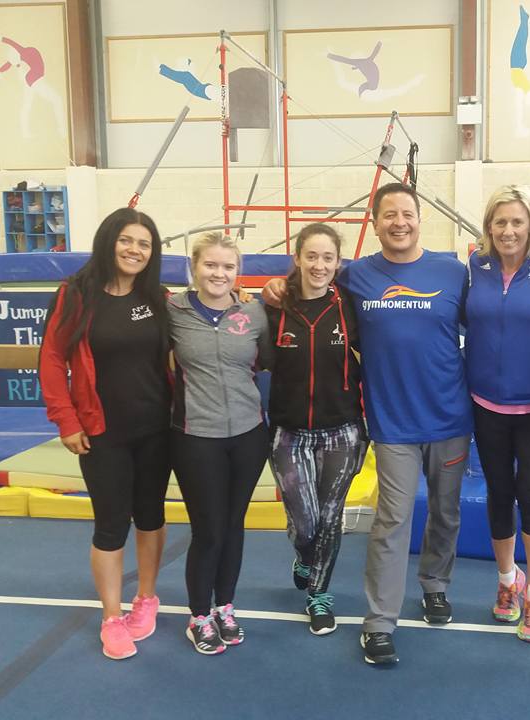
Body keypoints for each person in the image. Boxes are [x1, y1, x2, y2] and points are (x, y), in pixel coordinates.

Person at [263, 182, 473, 666]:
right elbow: (309, 283)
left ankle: (435, 584)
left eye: (407, 213)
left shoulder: (452, 272)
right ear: (374, 223)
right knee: (392, 521)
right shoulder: (355, 276)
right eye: (389, 214)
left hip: (449, 417)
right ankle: (379, 622)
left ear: (420, 218)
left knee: (445, 512)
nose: (399, 222)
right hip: (392, 422)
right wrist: (277, 286)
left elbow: (488, 321)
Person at [39, 207, 171, 661]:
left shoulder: (158, 297)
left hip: (156, 429)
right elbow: (52, 360)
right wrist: (66, 420)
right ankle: (112, 617)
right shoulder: (76, 295)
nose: (135, 250)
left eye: (144, 244)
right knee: (111, 524)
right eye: (126, 240)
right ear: (109, 241)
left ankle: (147, 598)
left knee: (151, 516)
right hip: (101, 433)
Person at [464, 185, 530, 642]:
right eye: (500, 221)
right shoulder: (475, 267)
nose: (508, 230)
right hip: (486, 402)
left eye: (517, 222)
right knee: (499, 493)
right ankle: (508, 580)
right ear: (489, 226)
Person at [167, 232, 271, 655]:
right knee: (208, 528)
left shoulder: (253, 312)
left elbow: (271, 360)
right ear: (194, 267)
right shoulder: (172, 310)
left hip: (248, 435)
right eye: (210, 264)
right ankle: (198, 615)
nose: (219, 273)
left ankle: (225, 606)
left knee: (233, 524)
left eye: (228, 266)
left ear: (238, 272)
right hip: (196, 437)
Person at [266, 223, 367, 636]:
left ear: (338, 263)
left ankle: (319, 593)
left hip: (342, 431)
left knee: (329, 518)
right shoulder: (276, 306)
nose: (319, 265)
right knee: (306, 523)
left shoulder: (349, 306)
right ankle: (304, 555)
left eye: (328, 258)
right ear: (297, 258)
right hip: (290, 433)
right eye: (311, 256)